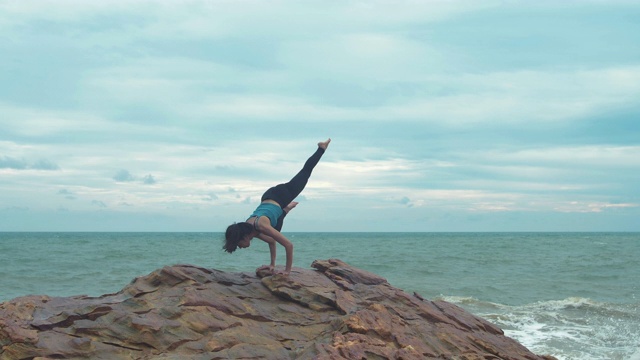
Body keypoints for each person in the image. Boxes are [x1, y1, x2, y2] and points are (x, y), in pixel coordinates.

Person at [223, 138, 331, 276]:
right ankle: (285, 209)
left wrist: (287, 271)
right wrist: (272, 264)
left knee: (306, 173)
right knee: (275, 228)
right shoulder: (251, 230)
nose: (240, 247)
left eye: (238, 245)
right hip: (268, 198)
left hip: (281, 195)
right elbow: (272, 241)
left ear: (244, 237)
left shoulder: (260, 226)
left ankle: (321, 148)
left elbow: (288, 245)